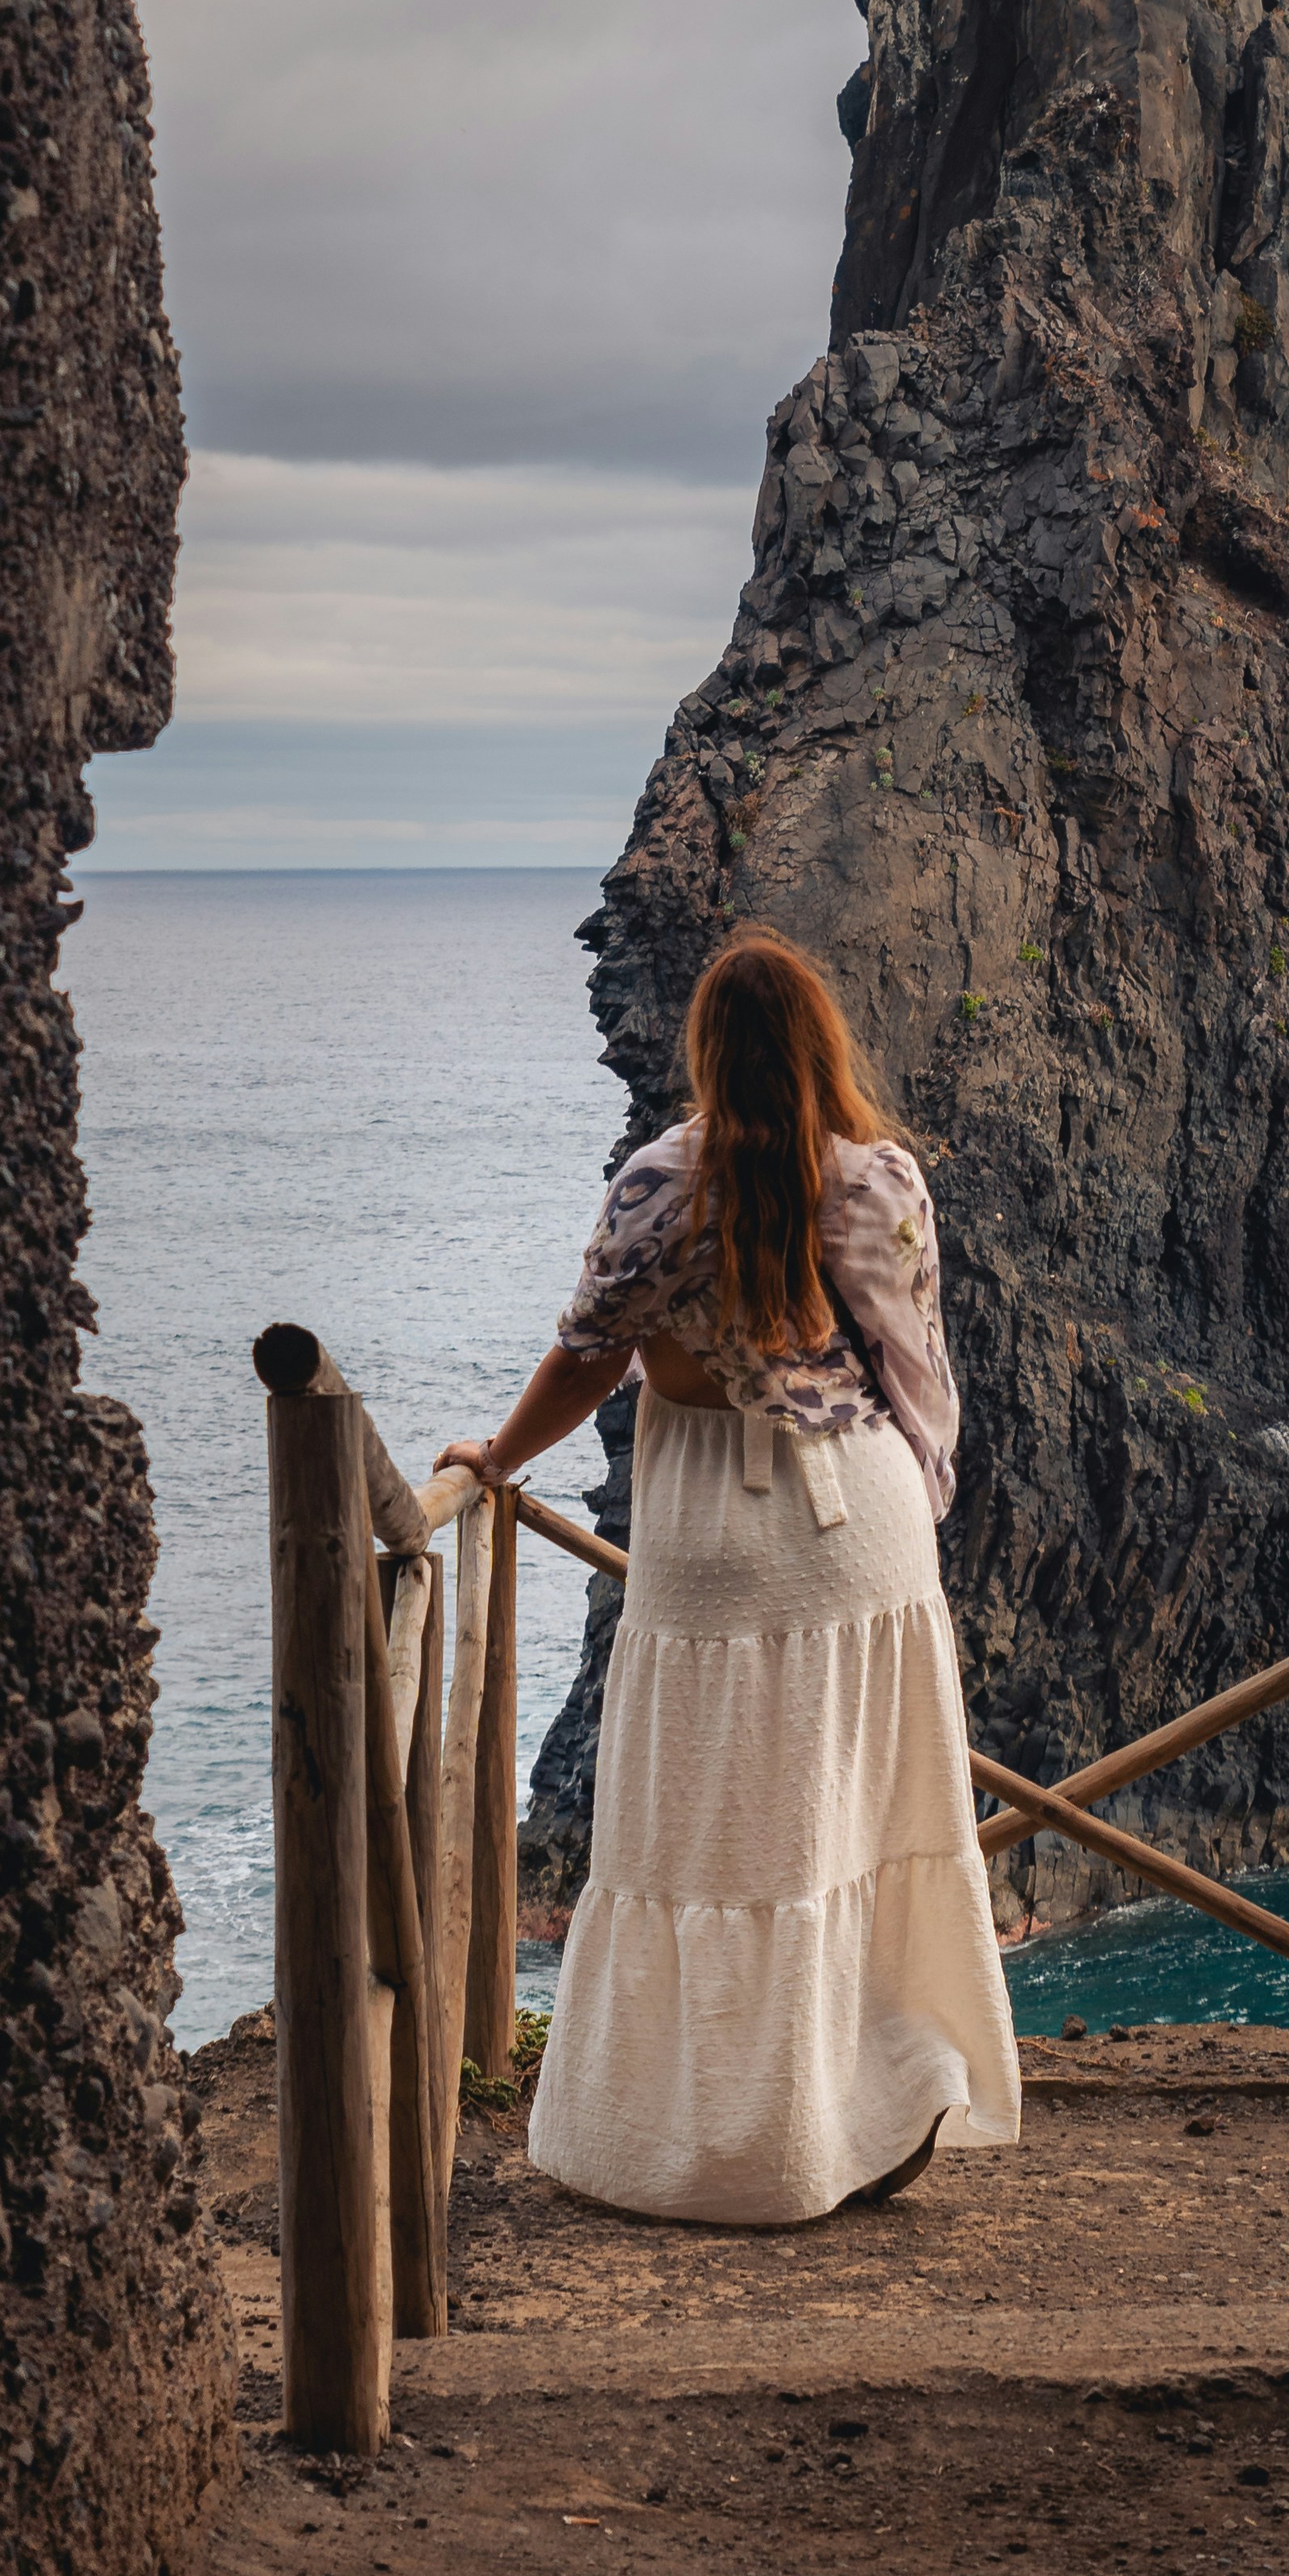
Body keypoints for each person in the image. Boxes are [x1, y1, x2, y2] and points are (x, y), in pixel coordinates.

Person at [433, 927, 1022, 2228]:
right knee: (856, 1831)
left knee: (710, 1840)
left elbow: (589, 1356)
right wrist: (914, 1502)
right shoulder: (880, 1179)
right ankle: (872, 2107)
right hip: (864, 1523)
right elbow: (918, 1371)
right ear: (823, 1044)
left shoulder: (660, 1183)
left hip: (716, 1538)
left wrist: (496, 1458)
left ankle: (720, 2139)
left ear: (705, 1049)